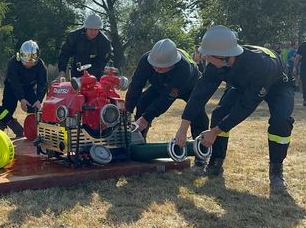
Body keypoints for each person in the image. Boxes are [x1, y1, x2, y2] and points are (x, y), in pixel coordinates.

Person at [174, 25, 294, 191]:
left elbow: (245, 106)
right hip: (243, 85)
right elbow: (199, 94)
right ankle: (215, 163)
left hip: (278, 85)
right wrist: (183, 126)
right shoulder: (216, 63)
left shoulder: (260, 65)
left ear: (225, 57)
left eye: (209, 56)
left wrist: (214, 132)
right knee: (219, 114)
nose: (206, 59)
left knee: (281, 121)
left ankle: (276, 171)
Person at [125, 39, 208, 170]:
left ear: (173, 64)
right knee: (143, 103)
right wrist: (127, 110)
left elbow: (165, 99)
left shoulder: (183, 69)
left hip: (190, 85)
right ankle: (139, 142)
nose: (157, 69)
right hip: (161, 84)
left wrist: (146, 118)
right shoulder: (146, 60)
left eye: (161, 67)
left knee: (198, 115)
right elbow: (136, 85)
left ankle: (201, 155)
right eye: (154, 66)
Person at [2, 40, 48, 123]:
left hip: (29, 87)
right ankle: (3, 124)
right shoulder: (13, 63)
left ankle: (33, 129)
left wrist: (39, 100)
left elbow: (43, 83)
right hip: (11, 87)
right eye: (26, 62)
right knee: (8, 108)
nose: (29, 64)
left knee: (34, 107)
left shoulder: (40, 65)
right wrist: (21, 98)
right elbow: (14, 82)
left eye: (32, 62)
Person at [58, 13, 112, 79]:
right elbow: (64, 54)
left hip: (95, 75)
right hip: (76, 73)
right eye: (91, 29)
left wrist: (89, 76)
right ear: (86, 28)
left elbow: (102, 62)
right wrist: (62, 71)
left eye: (96, 30)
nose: (93, 32)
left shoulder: (104, 42)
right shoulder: (74, 37)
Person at [293, 40, 306, 105]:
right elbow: (297, 57)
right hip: (304, 67)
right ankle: (305, 99)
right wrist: (295, 67)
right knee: (304, 83)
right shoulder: (303, 45)